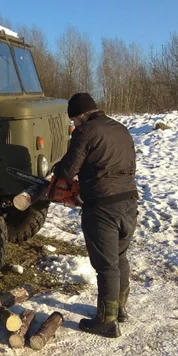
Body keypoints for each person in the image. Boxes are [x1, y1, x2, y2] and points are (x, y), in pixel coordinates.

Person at [53, 93, 138, 338]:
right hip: (129, 201)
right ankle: (119, 309)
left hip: (102, 206)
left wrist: (58, 169)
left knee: (106, 265)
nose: (74, 125)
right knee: (119, 257)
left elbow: (69, 170)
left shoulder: (86, 131)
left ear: (80, 115)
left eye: (74, 121)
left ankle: (106, 321)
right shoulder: (120, 128)